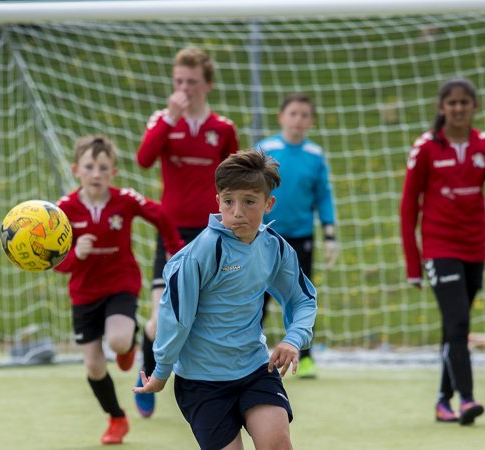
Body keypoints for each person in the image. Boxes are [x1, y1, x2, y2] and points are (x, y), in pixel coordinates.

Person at [134, 149, 317, 450]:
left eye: (249, 201)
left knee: (277, 443)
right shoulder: (203, 252)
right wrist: (161, 371)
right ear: (218, 201)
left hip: (256, 369)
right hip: (202, 382)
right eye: (229, 201)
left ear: (268, 204)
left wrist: (293, 339)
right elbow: (176, 316)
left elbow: (303, 300)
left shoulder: (275, 248)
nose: (237, 211)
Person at [55, 135, 184, 444]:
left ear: (113, 172)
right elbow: (56, 262)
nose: (96, 173)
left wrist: (174, 249)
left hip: (120, 285)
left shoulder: (125, 199)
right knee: (94, 366)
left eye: (103, 167)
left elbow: (161, 215)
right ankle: (116, 418)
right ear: (76, 170)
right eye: (89, 166)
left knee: (118, 338)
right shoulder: (64, 210)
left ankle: (127, 349)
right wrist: (76, 254)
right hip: (84, 294)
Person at [399, 78, 485, 426]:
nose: (458, 108)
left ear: (475, 107)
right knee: (459, 322)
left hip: (475, 247)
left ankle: (442, 400)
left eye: (465, 102)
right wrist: (414, 265)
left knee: (454, 327)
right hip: (438, 248)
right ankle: (468, 399)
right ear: (441, 107)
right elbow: (407, 209)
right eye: (452, 103)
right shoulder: (426, 148)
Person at [136, 46, 239, 417]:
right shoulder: (161, 120)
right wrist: (169, 119)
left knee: (207, 317)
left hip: (212, 234)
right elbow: (144, 159)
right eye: (179, 81)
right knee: (158, 320)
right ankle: (145, 370)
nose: (184, 88)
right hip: (172, 233)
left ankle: (216, 393)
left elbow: (236, 180)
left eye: (192, 82)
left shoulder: (223, 129)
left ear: (207, 84)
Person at [256, 92, 338, 379]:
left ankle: (304, 356)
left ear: (311, 121)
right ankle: (252, 352)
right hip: (266, 236)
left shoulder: (315, 155)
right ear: (281, 117)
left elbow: (323, 196)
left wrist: (330, 233)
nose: (298, 119)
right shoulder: (264, 149)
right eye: (293, 113)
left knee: (300, 296)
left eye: (304, 115)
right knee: (259, 295)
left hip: (301, 237)